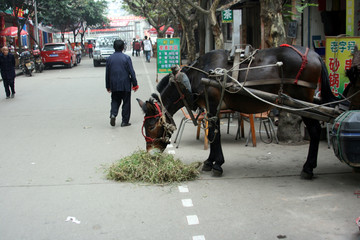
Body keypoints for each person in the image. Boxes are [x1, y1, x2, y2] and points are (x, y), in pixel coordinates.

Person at [106, 39, 139, 127]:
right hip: (125, 84)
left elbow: (107, 74)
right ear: (123, 47)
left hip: (114, 84)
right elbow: (131, 72)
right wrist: (135, 84)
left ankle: (113, 114)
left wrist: (108, 86)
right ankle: (124, 121)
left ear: (114, 47)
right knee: (126, 103)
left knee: (115, 100)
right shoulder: (126, 58)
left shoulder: (109, 59)